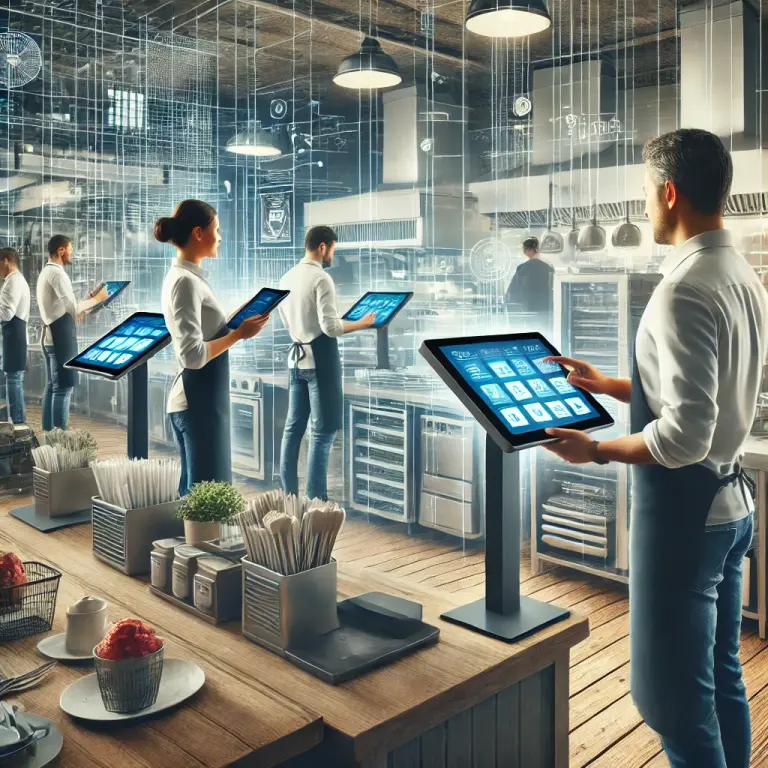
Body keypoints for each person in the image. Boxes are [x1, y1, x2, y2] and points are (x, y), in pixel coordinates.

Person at [542, 129, 768, 768]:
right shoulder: (740, 274)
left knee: (671, 700)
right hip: (730, 508)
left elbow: (682, 435)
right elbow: (704, 392)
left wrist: (597, 451)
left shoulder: (683, 290)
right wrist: (611, 384)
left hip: (685, 520)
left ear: (669, 193)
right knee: (720, 674)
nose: (645, 207)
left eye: (646, 193)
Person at [157, 200, 269, 496]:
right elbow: (192, 355)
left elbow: (204, 332)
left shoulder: (188, 278)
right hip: (196, 404)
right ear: (198, 233)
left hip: (203, 401)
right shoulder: (185, 283)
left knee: (204, 493)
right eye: (215, 229)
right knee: (203, 496)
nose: (219, 236)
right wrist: (238, 335)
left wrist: (235, 321)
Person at [278, 226, 376, 500]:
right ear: (322, 247)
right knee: (323, 432)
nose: (333, 254)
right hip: (320, 361)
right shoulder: (321, 279)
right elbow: (330, 327)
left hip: (296, 360)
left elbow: (287, 321)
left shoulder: (287, 277)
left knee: (293, 429)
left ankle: (289, 497)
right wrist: (362, 323)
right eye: (332, 248)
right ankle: (316, 501)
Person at [36, 235, 108, 430]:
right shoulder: (57, 274)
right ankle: (60, 441)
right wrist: (97, 299)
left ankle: (49, 436)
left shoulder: (46, 272)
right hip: (59, 339)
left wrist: (82, 308)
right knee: (64, 388)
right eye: (70, 249)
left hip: (50, 336)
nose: (72, 254)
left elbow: (64, 308)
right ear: (61, 250)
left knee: (52, 387)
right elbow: (72, 307)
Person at [0, 248, 30, 424]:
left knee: (14, 382)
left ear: (6, 260)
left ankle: (19, 425)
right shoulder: (15, 280)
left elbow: (5, 313)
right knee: (14, 381)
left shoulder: (13, 281)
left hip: (14, 338)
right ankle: (16, 423)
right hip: (15, 337)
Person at [504, 236, 554, 317]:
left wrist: (506, 300)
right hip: (546, 310)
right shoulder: (548, 268)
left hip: (528, 309)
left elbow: (513, 291)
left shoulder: (522, 268)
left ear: (526, 250)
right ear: (537, 249)